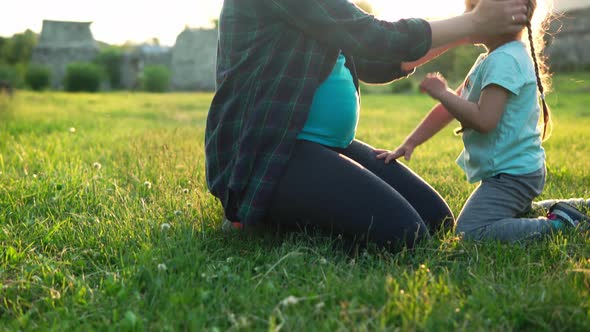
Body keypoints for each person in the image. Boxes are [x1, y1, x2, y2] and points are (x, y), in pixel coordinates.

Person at [206, 0, 531, 250]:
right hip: (269, 152)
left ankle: (292, 204)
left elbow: (380, 62)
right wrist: (473, 20)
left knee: (438, 221)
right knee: (406, 235)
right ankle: (255, 214)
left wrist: (472, 31)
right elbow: (375, 37)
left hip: (320, 145)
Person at [377, 0, 589, 242]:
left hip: (512, 175)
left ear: (505, 17)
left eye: (475, 9)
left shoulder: (505, 61)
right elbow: (450, 107)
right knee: (514, 212)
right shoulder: (494, 57)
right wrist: (411, 142)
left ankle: (563, 224)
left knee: (471, 230)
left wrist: (442, 92)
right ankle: (575, 205)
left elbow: (484, 120)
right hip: (514, 171)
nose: (468, 17)